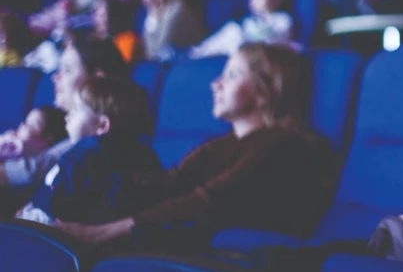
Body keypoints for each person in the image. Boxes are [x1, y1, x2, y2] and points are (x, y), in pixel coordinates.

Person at [53, 43, 337, 249]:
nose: (216, 83)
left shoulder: (280, 145)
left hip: (235, 263)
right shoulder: (220, 145)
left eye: (233, 75)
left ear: (266, 92)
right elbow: (168, 184)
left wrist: (103, 232)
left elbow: (208, 201)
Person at [0, 38, 128, 216]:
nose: (55, 77)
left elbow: (35, 168)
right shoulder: (61, 124)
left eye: (67, 69)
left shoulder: (94, 141)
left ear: (96, 79)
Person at [16, 76, 162, 225]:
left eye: (76, 110)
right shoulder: (146, 155)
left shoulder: (80, 156)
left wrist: (30, 208)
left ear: (102, 125)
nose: (68, 116)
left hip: (65, 232)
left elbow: (53, 201)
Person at [189, 0, 294, 58]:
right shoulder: (250, 20)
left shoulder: (283, 19)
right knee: (232, 29)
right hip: (239, 46)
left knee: (234, 33)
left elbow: (277, 41)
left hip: (255, 52)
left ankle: (198, 53)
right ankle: (197, 52)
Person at [0, 106, 67, 160]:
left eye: (32, 125)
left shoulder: (24, 146)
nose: (23, 125)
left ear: (47, 138)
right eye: (26, 121)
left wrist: (9, 138)